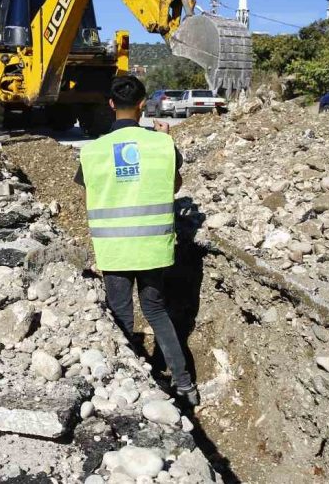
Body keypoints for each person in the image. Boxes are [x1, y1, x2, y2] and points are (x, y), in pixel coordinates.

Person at [73, 76, 198, 408]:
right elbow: (172, 186)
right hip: (153, 246)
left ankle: (127, 384)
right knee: (156, 310)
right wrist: (163, 144)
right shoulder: (161, 144)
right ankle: (185, 385)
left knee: (121, 315)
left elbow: (92, 189)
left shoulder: (93, 151)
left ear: (111, 105)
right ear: (143, 104)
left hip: (114, 247)